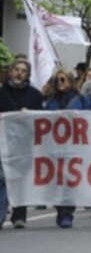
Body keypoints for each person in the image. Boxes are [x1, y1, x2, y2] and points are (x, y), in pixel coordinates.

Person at [43, 69, 91, 228]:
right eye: (57, 80)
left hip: (75, 146)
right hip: (53, 146)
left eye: (63, 80)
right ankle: (59, 208)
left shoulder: (82, 100)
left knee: (70, 181)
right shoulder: (49, 101)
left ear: (70, 81)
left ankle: (67, 213)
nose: (60, 83)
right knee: (55, 180)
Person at [0, 58, 43, 228]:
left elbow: (42, 120)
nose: (19, 73)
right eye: (16, 69)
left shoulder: (35, 95)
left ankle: (19, 215)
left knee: (21, 179)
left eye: (23, 70)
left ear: (28, 74)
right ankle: (1, 213)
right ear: (10, 72)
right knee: (2, 179)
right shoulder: (1, 92)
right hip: (3, 142)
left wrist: (30, 114)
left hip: (25, 143)